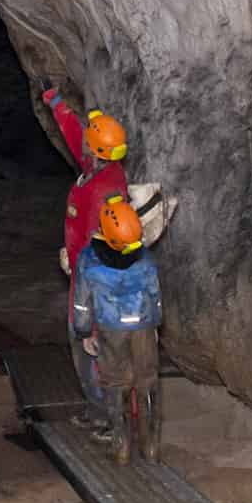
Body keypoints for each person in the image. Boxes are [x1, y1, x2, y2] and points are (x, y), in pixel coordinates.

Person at [42, 86, 128, 408]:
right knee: (89, 351)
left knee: (91, 349)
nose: (84, 146)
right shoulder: (101, 168)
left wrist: (91, 323)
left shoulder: (102, 192)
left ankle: (111, 419)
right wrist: (55, 101)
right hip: (84, 269)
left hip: (93, 281)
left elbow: (103, 257)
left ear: (96, 151)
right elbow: (76, 132)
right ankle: (103, 413)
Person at [71, 194, 164, 465]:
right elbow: (155, 295)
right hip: (143, 326)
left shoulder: (89, 260)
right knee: (147, 380)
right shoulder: (144, 259)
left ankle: (121, 447)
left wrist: (84, 332)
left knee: (114, 382)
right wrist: (156, 322)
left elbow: (82, 304)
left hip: (111, 329)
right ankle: (151, 447)